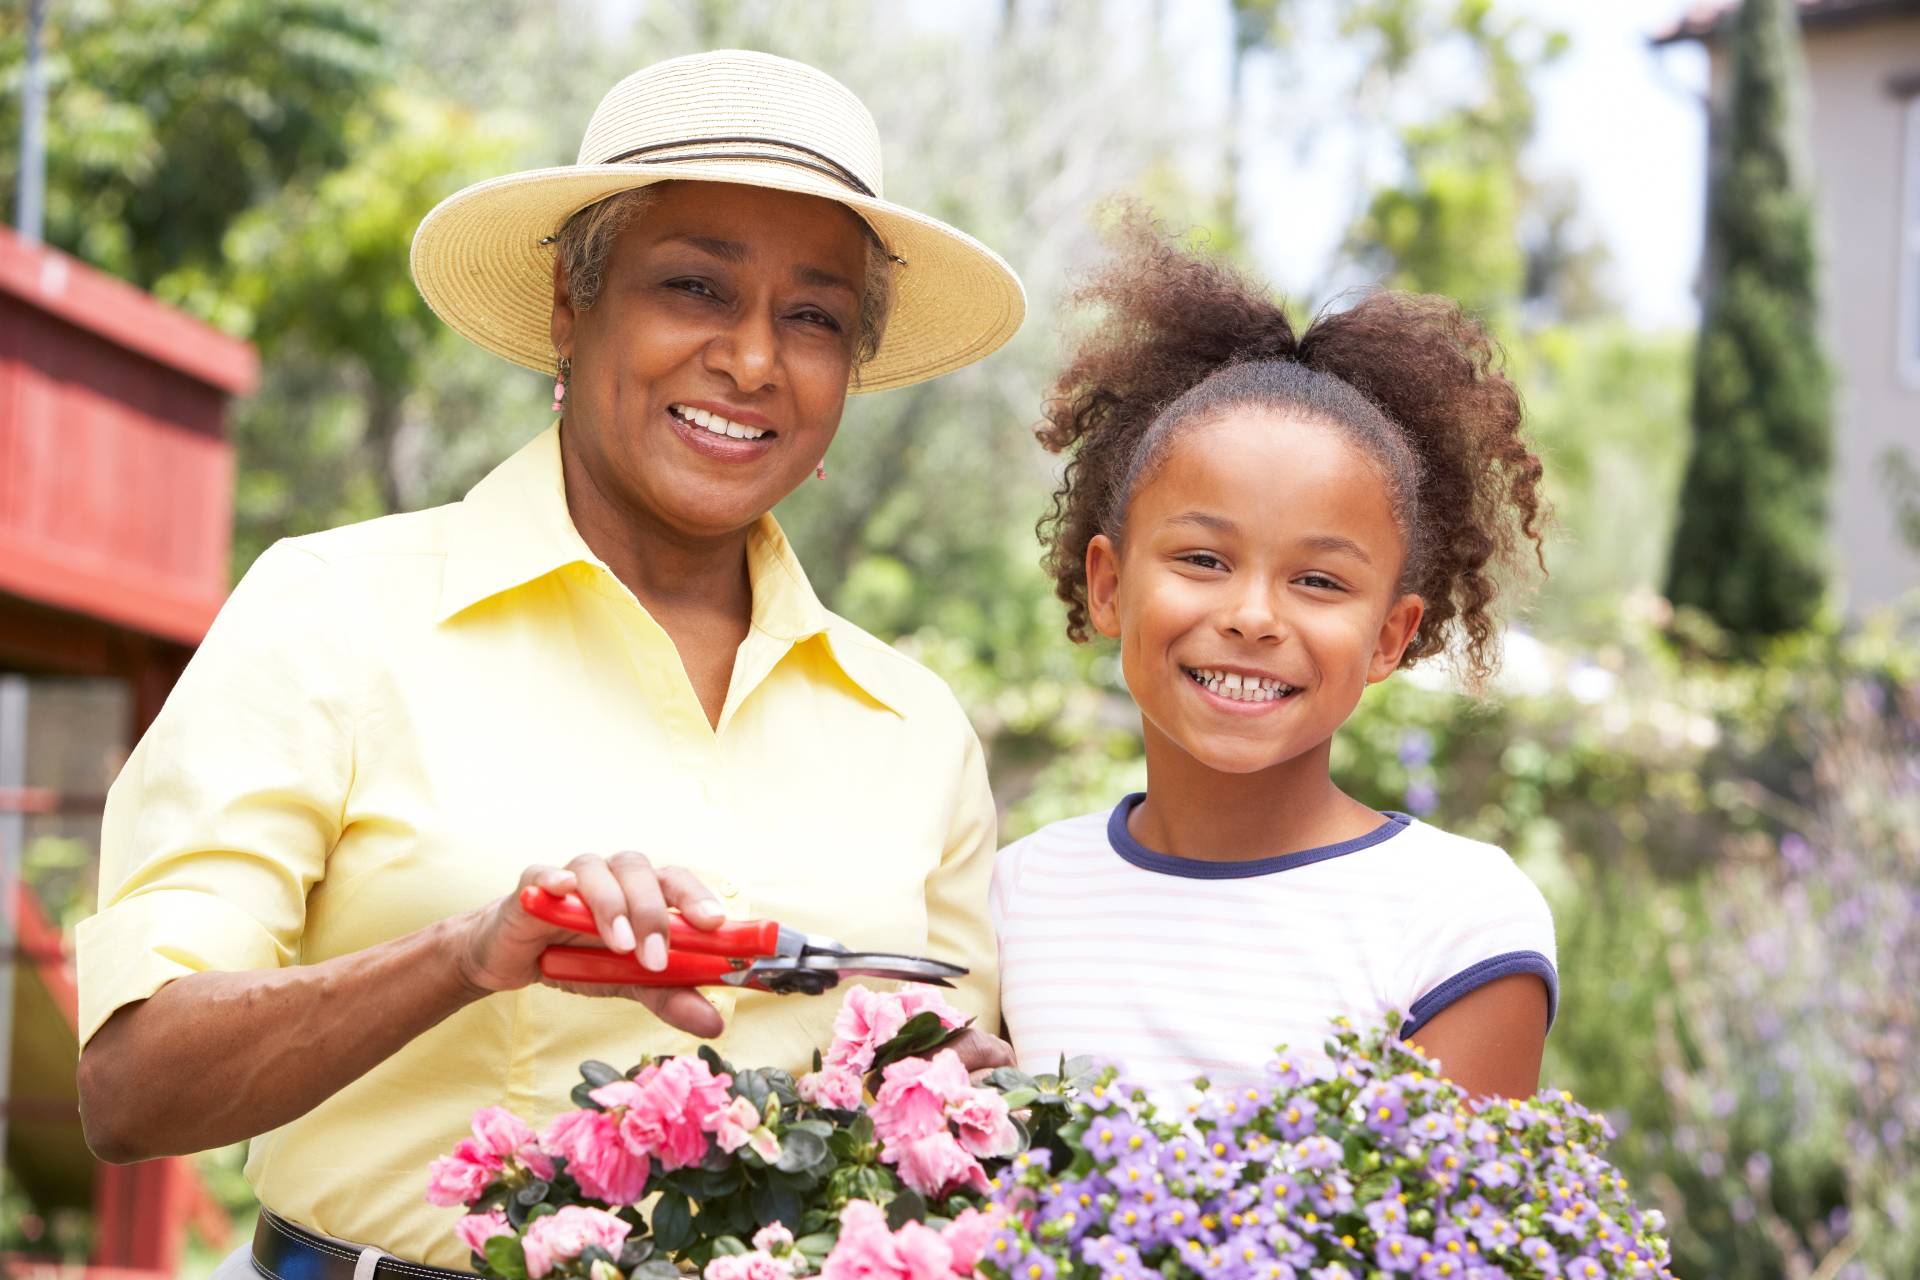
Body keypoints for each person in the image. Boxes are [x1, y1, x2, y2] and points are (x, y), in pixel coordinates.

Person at [75, 50, 1025, 1273]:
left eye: (815, 316)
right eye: (693, 286)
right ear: (572, 308)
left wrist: (955, 1105)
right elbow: (130, 1087)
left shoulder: (913, 726)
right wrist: (465, 954)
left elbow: (943, 1106)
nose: (751, 359)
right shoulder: (335, 613)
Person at [991, 216, 1556, 1100]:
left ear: (1389, 638)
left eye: (1320, 581)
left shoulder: (1456, 920)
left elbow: (1458, 1226)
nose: (1253, 617)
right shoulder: (1019, 897)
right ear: (1108, 585)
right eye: (1203, 560)